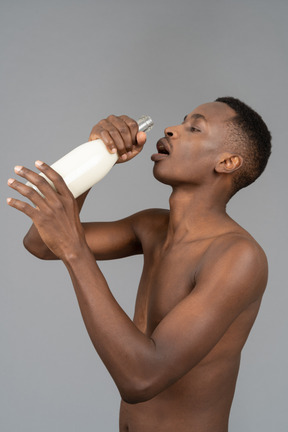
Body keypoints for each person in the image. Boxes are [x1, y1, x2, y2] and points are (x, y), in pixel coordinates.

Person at [7, 97, 271, 432]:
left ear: (227, 161)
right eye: (181, 120)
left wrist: (75, 251)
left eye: (194, 128)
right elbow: (42, 244)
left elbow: (141, 378)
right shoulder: (152, 227)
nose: (171, 130)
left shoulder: (238, 257)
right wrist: (96, 158)